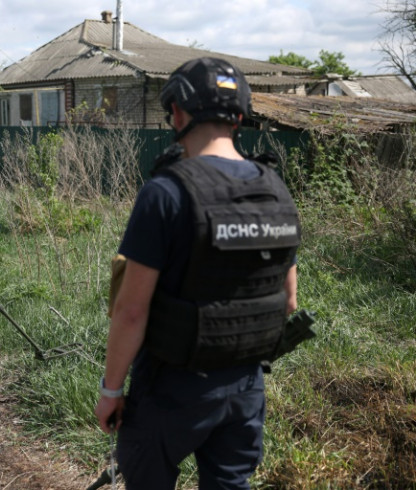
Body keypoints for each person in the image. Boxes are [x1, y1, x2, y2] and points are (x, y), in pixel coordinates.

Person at [94, 57, 301, 489]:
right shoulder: (275, 189)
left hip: (172, 389)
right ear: (240, 117)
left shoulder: (165, 193)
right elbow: (290, 301)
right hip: (246, 388)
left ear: (177, 115)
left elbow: (131, 312)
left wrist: (111, 391)